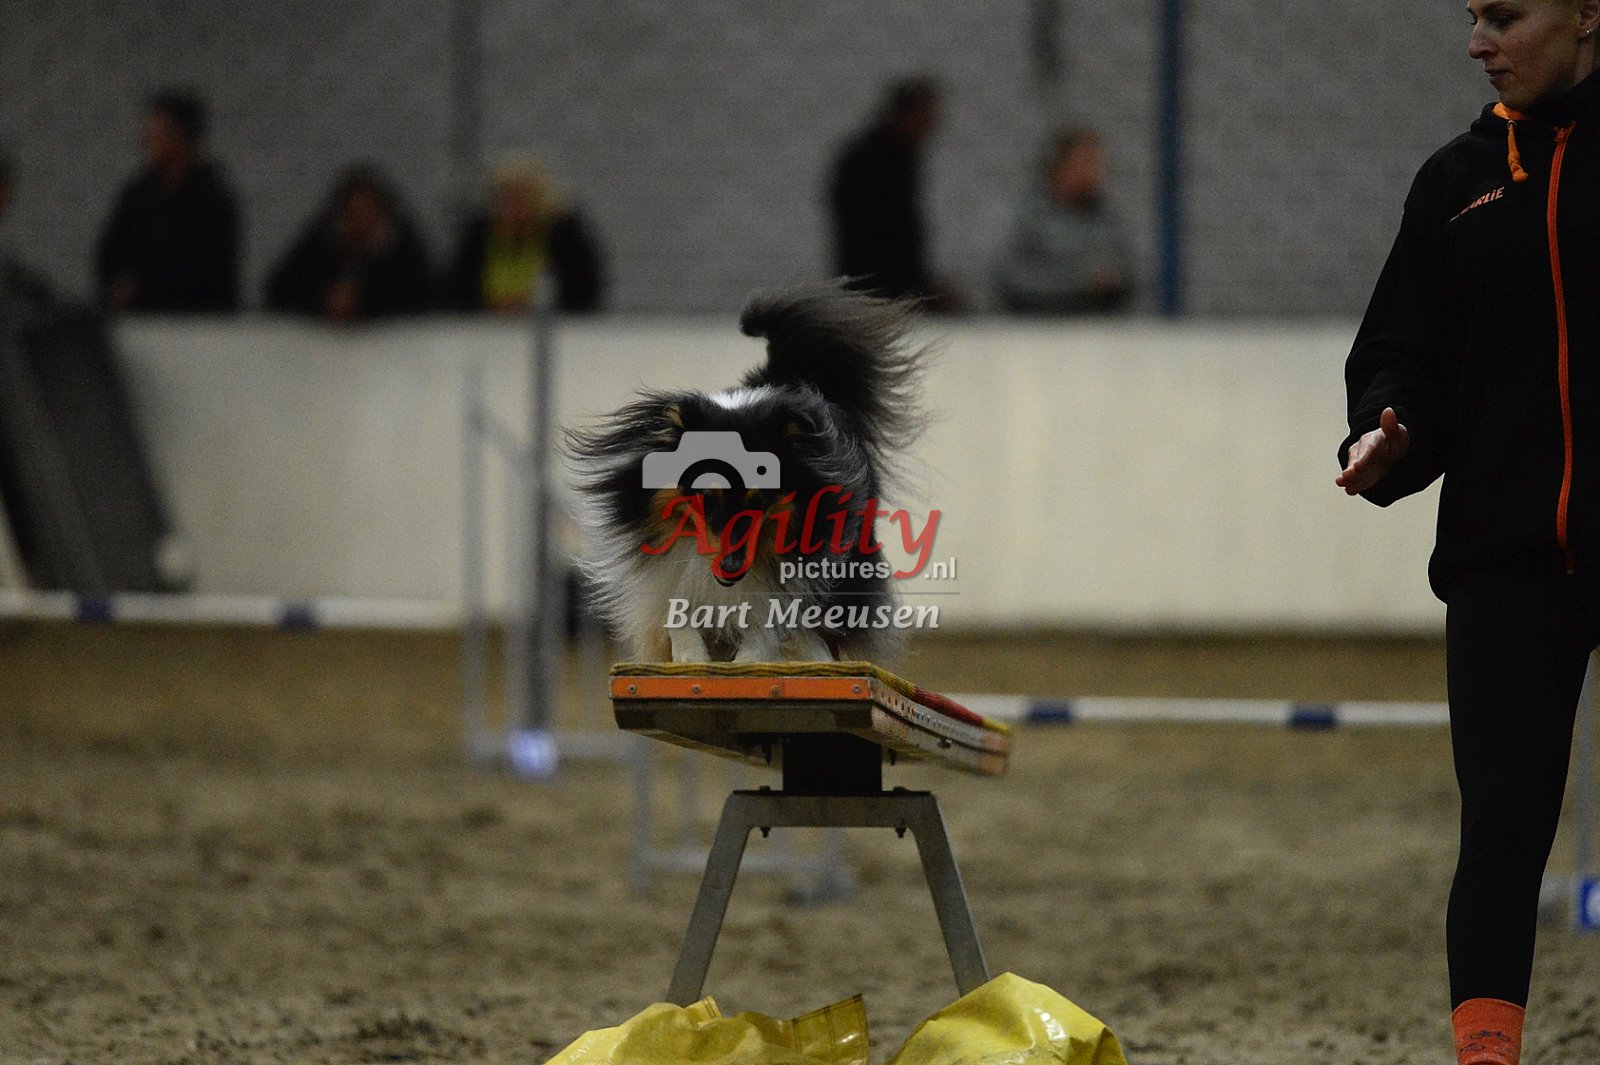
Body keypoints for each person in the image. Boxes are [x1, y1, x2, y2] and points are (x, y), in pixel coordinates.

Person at [1336, 2, 1600, 1063]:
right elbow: (1402, 356)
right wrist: (1385, 428)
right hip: (1505, 564)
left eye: (1505, 15)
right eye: (1473, 16)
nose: (1478, 41)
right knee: (1500, 828)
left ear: (1585, 15)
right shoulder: (1454, 182)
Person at [95, 90, 241, 313]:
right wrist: (118, 286)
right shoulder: (138, 195)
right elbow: (109, 253)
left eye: (155, 135)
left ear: (181, 138)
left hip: (198, 323)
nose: (146, 144)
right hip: (141, 319)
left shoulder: (212, 201)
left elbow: (206, 272)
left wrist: (145, 287)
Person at [826, 77, 952, 307]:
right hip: (876, 290)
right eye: (927, 115)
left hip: (882, 287)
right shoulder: (872, 163)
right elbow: (879, 234)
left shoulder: (897, 157)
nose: (934, 125)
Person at [990, 128, 1132, 315]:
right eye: (1084, 163)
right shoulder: (1028, 215)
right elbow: (1010, 277)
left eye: (1096, 165)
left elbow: (1127, 272)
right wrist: (1079, 281)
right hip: (1036, 323)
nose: (1093, 173)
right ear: (1059, 166)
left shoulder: (1106, 218)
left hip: (1096, 323)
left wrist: (1112, 282)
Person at [265, 165, 432, 321]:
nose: (361, 222)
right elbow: (280, 288)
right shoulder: (321, 242)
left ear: (383, 214)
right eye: (353, 214)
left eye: (368, 213)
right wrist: (324, 299)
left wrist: (362, 301)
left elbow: (421, 297)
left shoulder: (403, 249)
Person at [449, 159, 605, 314]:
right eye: (507, 200)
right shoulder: (477, 238)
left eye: (522, 199)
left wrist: (531, 306)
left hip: (551, 323)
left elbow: (585, 293)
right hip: (484, 325)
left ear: (539, 201)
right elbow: (457, 290)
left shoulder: (564, 238)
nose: (515, 209)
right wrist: (492, 306)